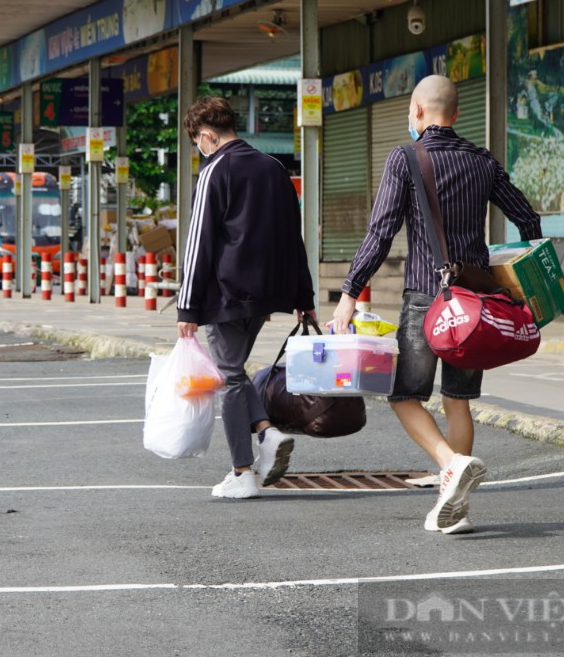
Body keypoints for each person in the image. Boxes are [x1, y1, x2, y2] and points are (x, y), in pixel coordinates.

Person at [332, 75, 541, 535]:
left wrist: (349, 294)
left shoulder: (405, 158)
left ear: (416, 110)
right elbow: (527, 218)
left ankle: (449, 465)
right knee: (458, 399)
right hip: (478, 299)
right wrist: (529, 275)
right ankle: (458, 510)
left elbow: (380, 233)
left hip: (429, 299)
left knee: (404, 395)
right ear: (457, 114)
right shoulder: (483, 160)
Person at [176, 95, 316, 499]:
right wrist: (303, 296)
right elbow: (295, 237)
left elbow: (199, 240)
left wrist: (187, 306)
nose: (199, 149)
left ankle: (242, 471)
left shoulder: (214, 171)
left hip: (225, 292)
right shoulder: (274, 168)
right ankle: (265, 434)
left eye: (197, 142)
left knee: (230, 378)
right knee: (233, 370)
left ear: (206, 135)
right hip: (267, 293)